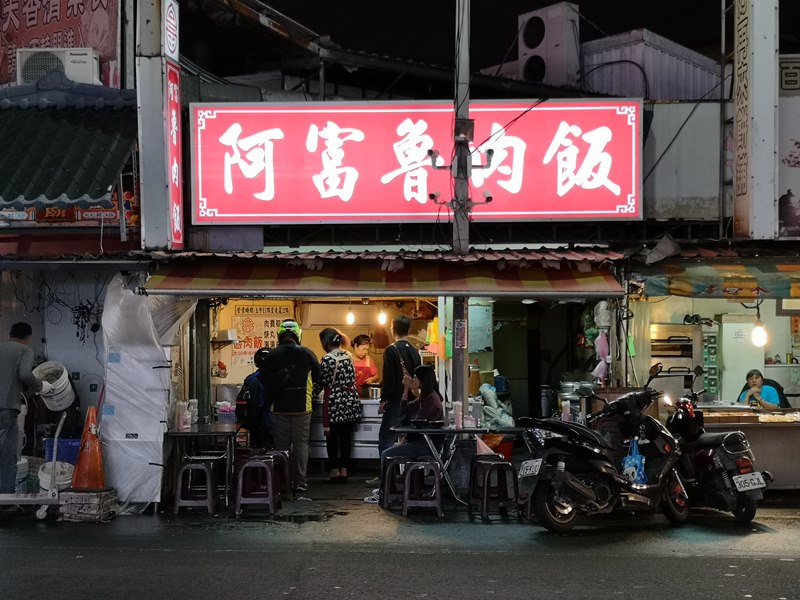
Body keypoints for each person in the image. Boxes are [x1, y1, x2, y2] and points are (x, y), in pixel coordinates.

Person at [364, 364, 444, 504]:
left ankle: (384, 492)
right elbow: (404, 409)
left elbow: (418, 424)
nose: (413, 379)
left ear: (422, 380)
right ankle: (388, 488)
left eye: (415, 377)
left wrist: (404, 441)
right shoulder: (425, 397)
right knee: (391, 452)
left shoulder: (431, 399)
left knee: (386, 454)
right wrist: (406, 389)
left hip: (427, 444)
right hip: (423, 442)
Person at [258, 320, 320, 494]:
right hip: (302, 407)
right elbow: (318, 377)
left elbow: (262, 380)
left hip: (279, 407)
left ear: (280, 335)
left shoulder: (271, 355)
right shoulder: (307, 354)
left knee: (281, 446)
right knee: (301, 445)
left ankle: (283, 481)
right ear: (297, 335)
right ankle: (300, 482)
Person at [0, 323, 48, 497]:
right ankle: (5, 501)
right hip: (6, 409)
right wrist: (41, 386)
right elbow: (25, 374)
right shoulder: (24, 350)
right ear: (27, 337)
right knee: (8, 456)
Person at [319, 328, 361, 483]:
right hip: (350, 401)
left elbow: (321, 381)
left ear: (325, 343)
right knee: (346, 438)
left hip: (335, 403)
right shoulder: (348, 355)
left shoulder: (328, 359)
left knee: (332, 438)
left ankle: (334, 471)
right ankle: (344, 470)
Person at [240, 347, 274, 449]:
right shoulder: (276, 378)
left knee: (255, 451)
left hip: (254, 423)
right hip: (272, 423)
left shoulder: (250, 378)